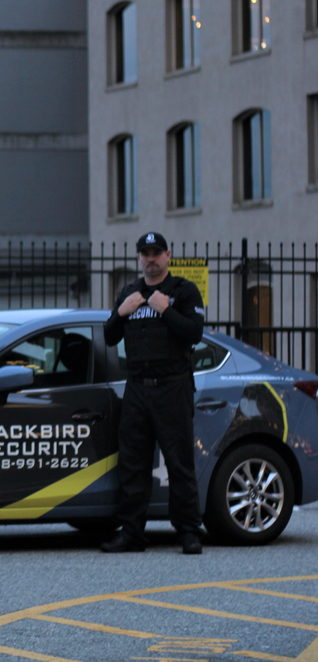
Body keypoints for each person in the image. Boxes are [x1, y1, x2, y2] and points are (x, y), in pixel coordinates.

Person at [102, 232, 205, 554]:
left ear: (168, 255)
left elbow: (194, 333)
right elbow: (108, 337)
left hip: (173, 386)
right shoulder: (129, 293)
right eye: (145, 253)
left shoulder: (184, 291)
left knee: (179, 464)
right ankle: (132, 533)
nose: (151, 258)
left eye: (157, 253)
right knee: (132, 464)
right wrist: (121, 312)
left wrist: (165, 310)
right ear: (138, 258)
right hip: (137, 389)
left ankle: (188, 532)